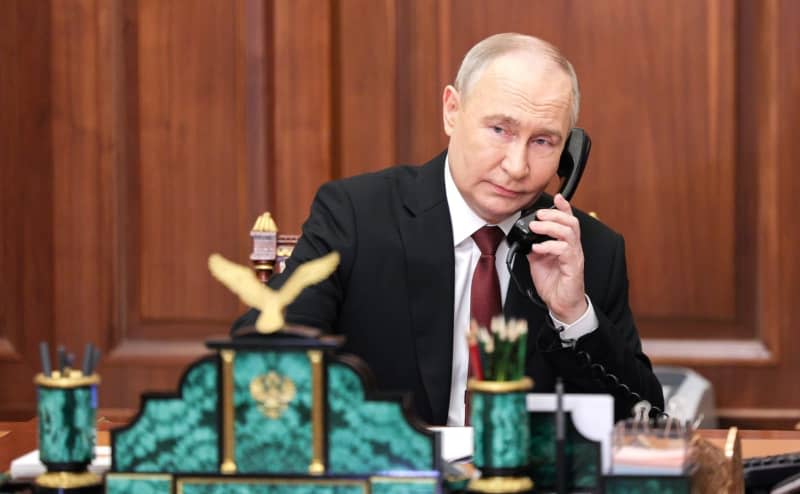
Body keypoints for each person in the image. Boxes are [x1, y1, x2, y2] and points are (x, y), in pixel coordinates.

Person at [233, 33, 663, 425]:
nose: (517, 167)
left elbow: (644, 420)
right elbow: (260, 361)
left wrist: (572, 315)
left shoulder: (590, 250)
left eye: (543, 142)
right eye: (500, 130)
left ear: (569, 152)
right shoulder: (356, 217)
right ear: (452, 111)